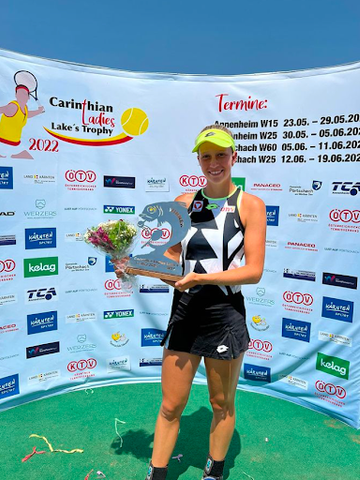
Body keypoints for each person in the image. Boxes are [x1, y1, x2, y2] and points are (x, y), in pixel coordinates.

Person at [142, 124, 266, 480]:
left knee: (221, 404)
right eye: (206, 155)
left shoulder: (250, 205)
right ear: (198, 159)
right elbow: (169, 263)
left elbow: (253, 271)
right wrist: (135, 267)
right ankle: (157, 473)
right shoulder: (183, 203)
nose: (214, 163)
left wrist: (201, 278)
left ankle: (213, 473)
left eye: (220, 155)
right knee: (170, 405)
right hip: (185, 311)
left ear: (233, 157)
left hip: (224, 315)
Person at [0, 84, 45, 159]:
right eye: (19, 93)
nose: (21, 96)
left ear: (28, 97)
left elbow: (26, 115)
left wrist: (38, 111)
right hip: (2, 143)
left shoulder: (25, 108)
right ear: (16, 95)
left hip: (15, 144)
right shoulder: (13, 106)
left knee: (29, 160)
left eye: (24, 94)